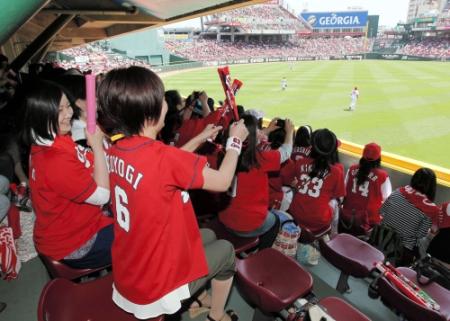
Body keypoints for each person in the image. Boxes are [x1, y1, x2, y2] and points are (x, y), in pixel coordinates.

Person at [96, 66, 249, 321]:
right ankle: (217, 315)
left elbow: (164, 168)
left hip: (131, 267)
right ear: (149, 114)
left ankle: (200, 298)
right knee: (225, 250)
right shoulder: (162, 157)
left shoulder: (117, 148)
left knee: (208, 234)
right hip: (156, 286)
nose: (166, 104)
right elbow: (222, 181)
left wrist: (200, 137)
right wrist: (235, 142)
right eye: (161, 99)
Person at [21, 80, 113, 269]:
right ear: (42, 115)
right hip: (75, 243)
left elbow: (88, 161)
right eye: (60, 110)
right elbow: (103, 195)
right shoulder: (53, 159)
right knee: (144, 234)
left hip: (69, 228)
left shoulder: (51, 139)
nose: (69, 113)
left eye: (68, 106)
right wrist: (97, 145)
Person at [218, 114, 294, 249]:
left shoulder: (223, 153)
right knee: (275, 221)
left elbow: (244, 142)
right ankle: (261, 255)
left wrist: (267, 131)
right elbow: (286, 151)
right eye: (257, 129)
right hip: (246, 225)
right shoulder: (260, 159)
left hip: (224, 218)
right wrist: (289, 133)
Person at [281, 128, 346, 233]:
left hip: (295, 214)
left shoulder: (300, 162)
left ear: (312, 146)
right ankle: (333, 236)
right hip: (319, 220)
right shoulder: (337, 171)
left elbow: (285, 178)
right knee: (335, 202)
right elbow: (339, 195)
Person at [380, 167, 441, 265]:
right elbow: (420, 237)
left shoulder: (398, 191)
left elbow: (382, 212)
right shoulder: (432, 210)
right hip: (402, 252)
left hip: (380, 239)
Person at [341, 142, 392, 234]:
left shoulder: (352, 169)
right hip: (369, 221)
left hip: (347, 216)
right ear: (378, 158)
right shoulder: (383, 176)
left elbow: (343, 190)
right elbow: (387, 198)